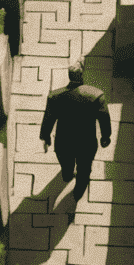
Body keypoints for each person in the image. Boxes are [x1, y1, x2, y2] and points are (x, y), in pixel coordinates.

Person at [40, 65, 112, 198]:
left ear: (69, 76)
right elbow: (104, 118)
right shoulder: (96, 95)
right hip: (86, 142)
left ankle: (67, 176)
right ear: (82, 75)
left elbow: (48, 118)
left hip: (64, 141)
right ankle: (78, 192)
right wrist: (105, 136)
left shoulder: (55, 96)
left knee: (66, 163)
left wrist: (45, 137)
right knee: (84, 170)